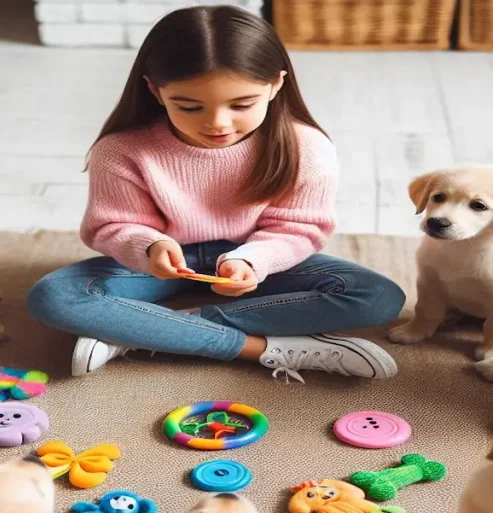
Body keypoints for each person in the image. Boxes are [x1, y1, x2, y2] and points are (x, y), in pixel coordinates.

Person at [28, 5, 405, 382]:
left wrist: (252, 260)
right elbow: (113, 224)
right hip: (165, 266)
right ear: (155, 92)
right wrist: (149, 246)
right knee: (55, 296)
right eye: (188, 106)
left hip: (256, 258)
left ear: (276, 85)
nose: (217, 124)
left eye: (242, 105)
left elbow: (299, 228)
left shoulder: (306, 147)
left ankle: (148, 329)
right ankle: (257, 349)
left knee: (377, 296)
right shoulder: (121, 150)